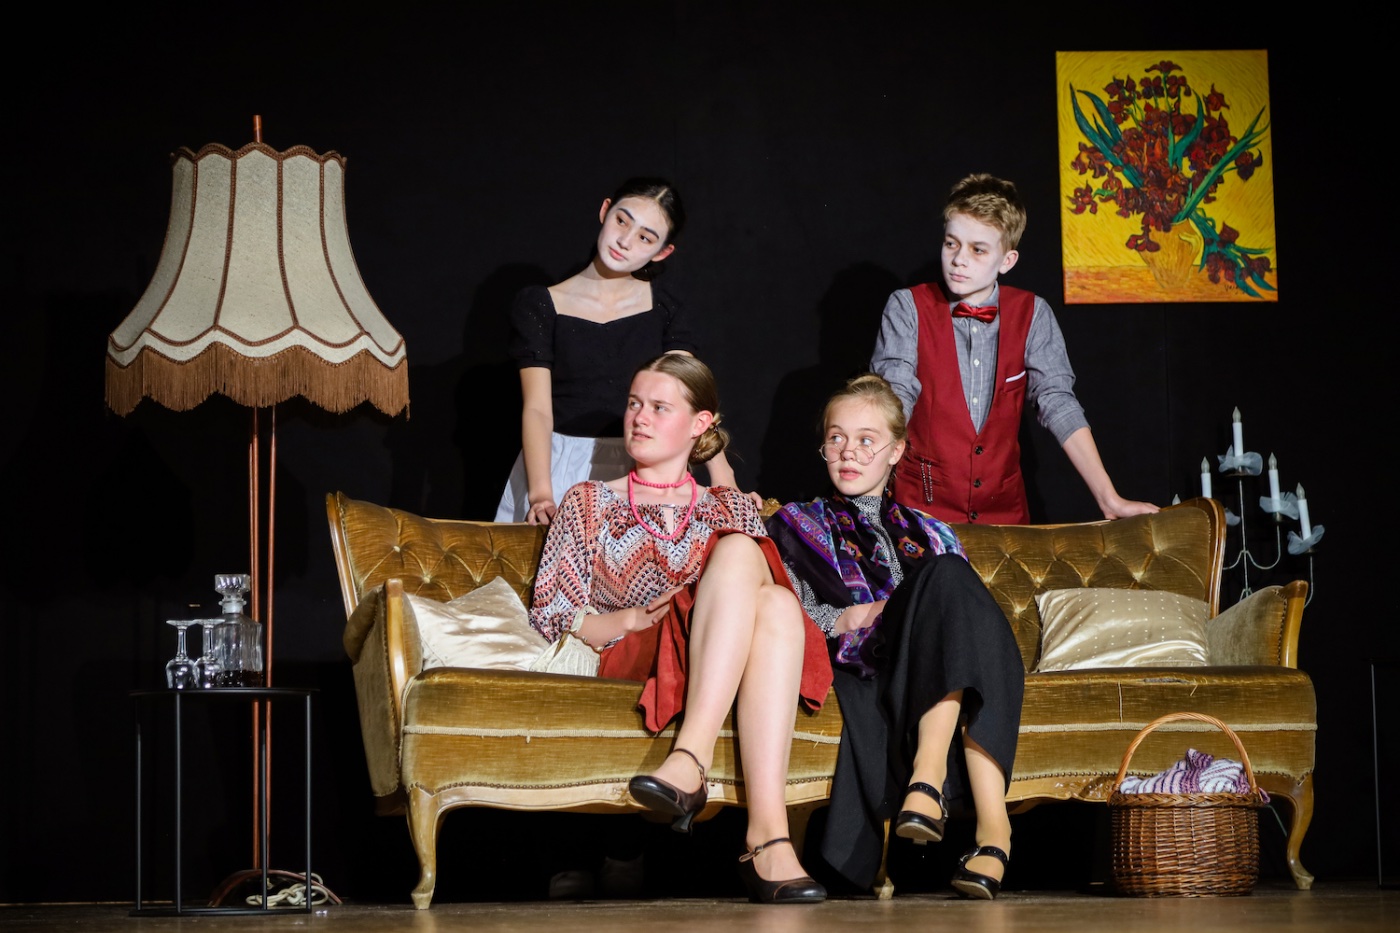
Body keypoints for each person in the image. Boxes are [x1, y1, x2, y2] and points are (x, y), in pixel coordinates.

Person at [528, 353, 833, 904]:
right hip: (635, 652)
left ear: (700, 424)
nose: (639, 418)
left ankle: (748, 819)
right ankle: (756, 827)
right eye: (634, 404)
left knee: (773, 599)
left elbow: (769, 611)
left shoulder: (729, 505)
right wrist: (630, 619)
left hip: (717, 658)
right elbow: (551, 615)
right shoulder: (589, 501)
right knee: (745, 558)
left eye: (659, 407)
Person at [766, 374, 1025, 900]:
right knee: (947, 579)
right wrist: (853, 616)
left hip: (934, 666)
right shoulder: (795, 523)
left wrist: (912, 609)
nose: (848, 452)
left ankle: (966, 812)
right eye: (836, 438)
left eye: (867, 440)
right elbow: (784, 618)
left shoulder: (934, 531)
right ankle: (983, 829)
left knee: (950, 579)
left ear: (897, 451)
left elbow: (964, 624)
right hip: (862, 666)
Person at [871, 173, 1157, 524]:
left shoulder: (1033, 313)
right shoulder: (907, 307)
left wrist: (1109, 498)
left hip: (1005, 516)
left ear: (1007, 261)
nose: (959, 259)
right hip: (921, 512)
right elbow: (893, 403)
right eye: (951, 244)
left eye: (978, 249)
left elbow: (1058, 403)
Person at [496, 177, 743, 525]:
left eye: (645, 237)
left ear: (662, 252)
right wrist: (540, 493)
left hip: (644, 462)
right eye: (622, 220)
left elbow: (690, 396)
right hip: (559, 463)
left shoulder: (665, 307)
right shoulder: (541, 304)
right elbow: (537, 409)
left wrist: (722, 475)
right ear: (605, 211)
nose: (625, 241)